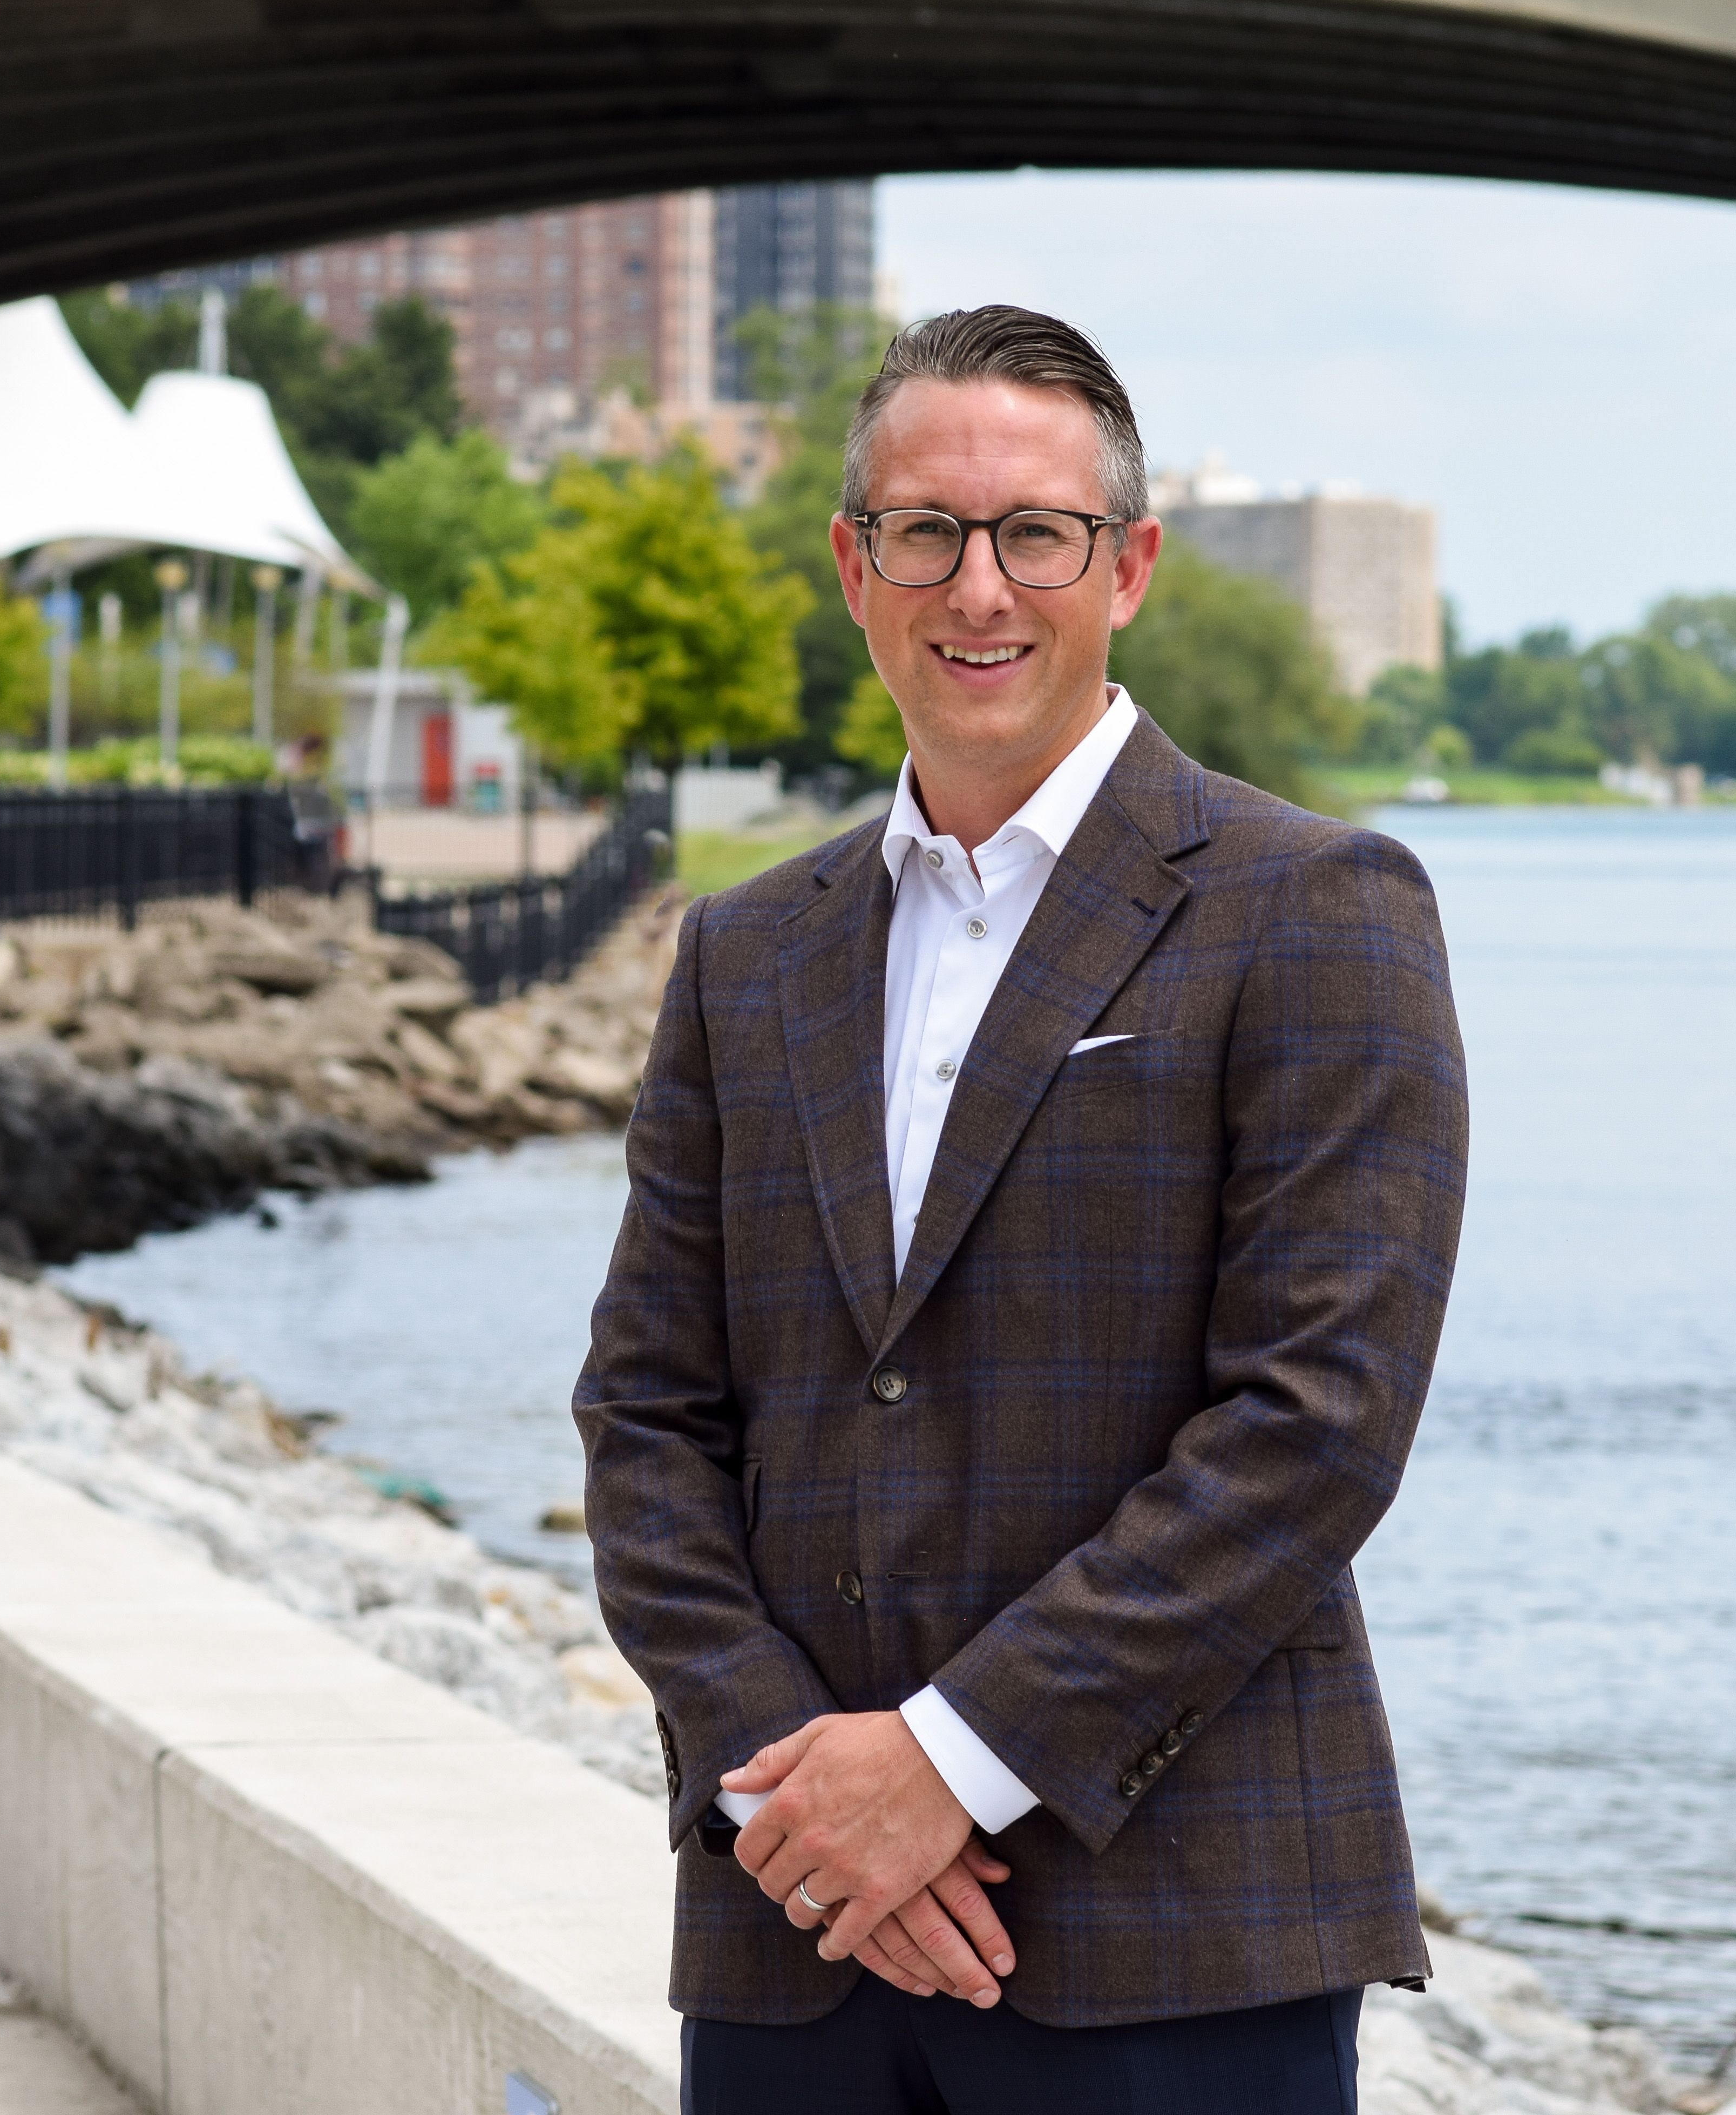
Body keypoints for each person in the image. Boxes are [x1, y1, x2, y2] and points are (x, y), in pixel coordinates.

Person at [574, 305, 1468, 2114]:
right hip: (795, 1927)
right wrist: (789, 1778)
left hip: (1174, 1937)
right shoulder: (745, 954)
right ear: (855, 565)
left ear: (1126, 566)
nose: (979, 588)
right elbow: (647, 1412)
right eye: (927, 530)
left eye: (1035, 535)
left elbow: (1317, 1426)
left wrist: (951, 1767)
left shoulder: (1316, 906)